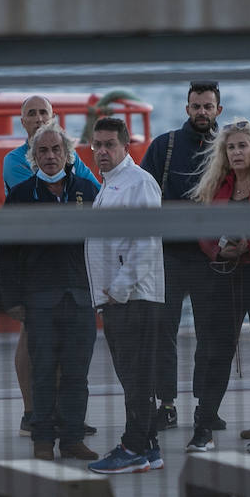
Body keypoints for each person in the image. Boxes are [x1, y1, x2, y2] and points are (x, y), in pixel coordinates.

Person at [187, 119, 250, 455]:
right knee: (216, 350)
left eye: (242, 145)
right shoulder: (219, 185)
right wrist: (218, 248)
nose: (236, 152)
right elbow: (203, 228)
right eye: (230, 147)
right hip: (226, 275)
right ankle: (203, 427)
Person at [2, 94, 100, 437]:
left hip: (72, 276)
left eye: (44, 112)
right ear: (22, 120)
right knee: (33, 345)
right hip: (38, 274)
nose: (39, 117)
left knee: (70, 356)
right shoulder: (15, 162)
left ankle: (66, 417)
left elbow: (93, 193)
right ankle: (33, 414)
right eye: (32, 113)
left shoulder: (70, 160)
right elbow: (34, 200)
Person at [140, 80, 225, 432]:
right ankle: (167, 404)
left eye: (208, 106)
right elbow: (143, 192)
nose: (202, 112)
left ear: (218, 109)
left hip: (213, 257)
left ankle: (207, 406)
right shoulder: (165, 145)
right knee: (163, 333)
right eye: (196, 106)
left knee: (212, 335)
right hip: (170, 255)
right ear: (186, 109)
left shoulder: (230, 147)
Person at [84, 117, 166, 474]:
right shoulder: (111, 184)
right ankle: (149, 447)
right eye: (97, 145)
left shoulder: (138, 183)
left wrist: (118, 290)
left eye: (109, 145)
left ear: (125, 146)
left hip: (133, 298)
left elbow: (145, 243)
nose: (102, 152)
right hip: (117, 299)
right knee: (133, 377)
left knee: (136, 377)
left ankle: (133, 446)